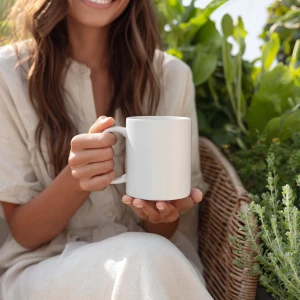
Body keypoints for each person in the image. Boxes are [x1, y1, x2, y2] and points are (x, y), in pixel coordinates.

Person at [0, 0, 212, 299]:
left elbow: (170, 231)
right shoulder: (8, 74)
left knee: (151, 258)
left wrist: (162, 214)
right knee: (146, 258)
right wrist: (76, 179)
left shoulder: (172, 77)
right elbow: (25, 233)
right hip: (45, 269)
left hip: (157, 267)